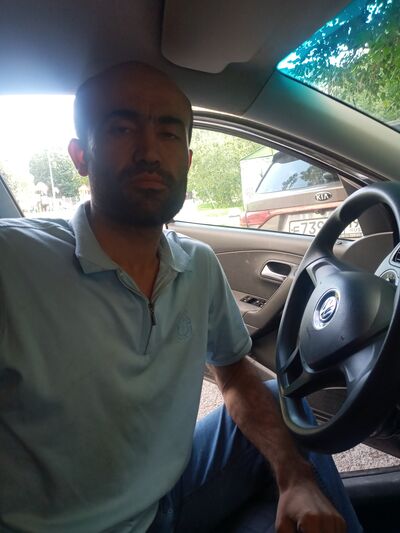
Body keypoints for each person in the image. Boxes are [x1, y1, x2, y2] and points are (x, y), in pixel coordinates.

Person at [0, 62, 362, 533]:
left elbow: (234, 375)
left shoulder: (198, 265)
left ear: (188, 160)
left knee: (280, 401)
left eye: (169, 134)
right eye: (122, 129)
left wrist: (296, 477)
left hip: (172, 494)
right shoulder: (13, 262)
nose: (150, 152)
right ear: (80, 156)